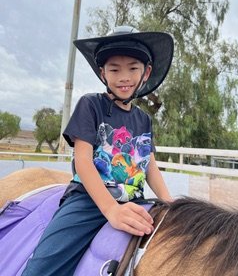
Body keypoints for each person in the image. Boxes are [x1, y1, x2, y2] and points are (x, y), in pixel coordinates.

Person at [22, 25, 174, 276]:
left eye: (133, 68)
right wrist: (111, 210)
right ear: (103, 73)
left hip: (136, 201)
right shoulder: (90, 105)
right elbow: (83, 161)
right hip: (89, 201)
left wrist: (169, 203)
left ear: (146, 73)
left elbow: (149, 166)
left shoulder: (144, 120)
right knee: (42, 267)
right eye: (114, 69)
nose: (124, 77)